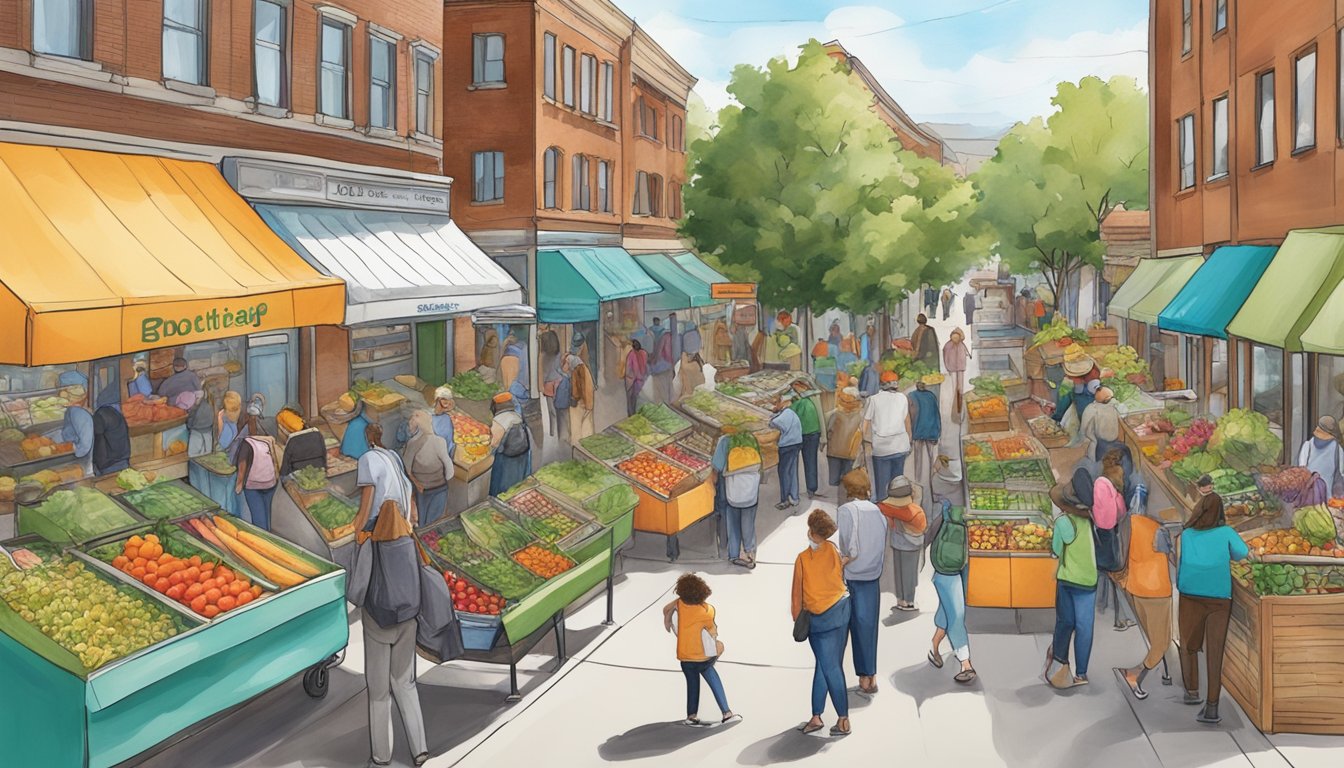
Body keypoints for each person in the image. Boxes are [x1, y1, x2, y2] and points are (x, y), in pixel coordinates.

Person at [349, 424, 428, 768]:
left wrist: (355, 532)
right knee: (406, 682)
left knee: (379, 692)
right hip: (408, 611)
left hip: (379, 617)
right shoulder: (395, 459)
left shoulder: (368, 460)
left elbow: (366, 508)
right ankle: (420, 750)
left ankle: (381, 758)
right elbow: (411, 507)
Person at [1177, 474, 1249, 725]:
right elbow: (1243, 553)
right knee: (1214, 652)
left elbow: (1180, 562)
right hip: (1220, 597)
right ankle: (1212, 707)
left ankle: (1191, 691)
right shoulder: (1226, 532)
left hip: (1190, 595)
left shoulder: (1186, 535)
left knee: (1188, 644)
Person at [792, 509, 852, 737]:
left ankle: (843, 719)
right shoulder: (834, 550)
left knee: (830, 667)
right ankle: (816, 715)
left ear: (811, 531)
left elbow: (797, 596)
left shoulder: (803, 559)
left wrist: (798, 620)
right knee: (826, 663)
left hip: (819, 619)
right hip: (841, 611)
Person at [662, 573, 740, 727]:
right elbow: (713, 633)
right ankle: (726, 713)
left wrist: (669, 617)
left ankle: (691, 716)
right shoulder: (707, 610)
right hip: (703, 658)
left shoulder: (679, 605)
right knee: (713, 677)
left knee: (692, 684)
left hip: (685, 657)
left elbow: (666, 609)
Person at [1118, 494, 1176, 700]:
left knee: (1153, 634)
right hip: (1156, 591)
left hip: (1135, 586)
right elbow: (1175, 561)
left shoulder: (1129, 523)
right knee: (1162, 641)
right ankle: (1134, 674)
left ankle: (1164, 670)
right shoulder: (1158, 530)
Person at [1045, 471, 1099, 688]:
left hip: (1068, 580)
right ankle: (1082, 673)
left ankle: (1060, 664)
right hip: (1089, 580)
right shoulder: (1092, 521)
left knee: (1065, 622)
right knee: (1085, 627)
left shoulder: (1063, 523)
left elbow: (1057, 551)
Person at [837, 472, 887, 696]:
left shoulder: (846, 511)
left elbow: (849, 546)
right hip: (872, 575)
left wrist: (841, 562)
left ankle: (858, 678)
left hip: (852, 575)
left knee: (847, 629)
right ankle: (870, 677)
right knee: (868, 628)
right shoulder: (878, 511)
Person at [926, 499, 977, 683]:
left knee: (948, 608)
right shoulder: (944, 501)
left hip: (963, 561)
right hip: (948, 564)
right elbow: (928, 530)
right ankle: (966, 663)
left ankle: (935, 645)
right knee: (956, 612)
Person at [1092, 449, 1137, 631]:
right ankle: (1122, 617)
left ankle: (1104, 608)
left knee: (1106, 574)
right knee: (1114, 574)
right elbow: (1114, 514)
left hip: (1104, 534)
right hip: (1107, 535)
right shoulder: (1105, 486)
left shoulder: (1102, 484)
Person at [710, 428, 761, 568]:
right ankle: (749, 553)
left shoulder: (725, 441)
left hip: (733, 490)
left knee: (733, 522)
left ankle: (734, 554)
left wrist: (712, 485)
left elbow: (717, 468)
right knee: (748, 521)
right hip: (751, 489)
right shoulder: (751, 437)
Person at [878, 476, 926, 612]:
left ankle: (901, 600)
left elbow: (883, 511)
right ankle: (909, 600)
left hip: (897, 541)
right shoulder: (916, 511)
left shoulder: (887, 507)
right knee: (909, 574)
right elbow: (922, 526)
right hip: (912, 545)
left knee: (899, 573)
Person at [863, 373, 912, 504]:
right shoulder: (902, 398)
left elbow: (866, 422)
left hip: (881, 448)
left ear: (881, 384)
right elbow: (907, 421)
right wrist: (909, 440)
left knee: (882, 483)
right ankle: (896, 508)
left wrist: (863, 440)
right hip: (901, 445)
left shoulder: (873, 399)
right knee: (897, 482)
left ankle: (883, 510)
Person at [402, 410, 453, 526]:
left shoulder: (413, 443)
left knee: (424, 524)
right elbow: (450, 470)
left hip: (426, 491)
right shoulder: (439, 441)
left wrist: (417, 484)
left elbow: (406, 469)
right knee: (432, 524)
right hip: (435, 489)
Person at [233, 410, 280, 530]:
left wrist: (239, 484)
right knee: (268, 513)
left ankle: (262, 538)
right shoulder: (270, 440)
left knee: (258, 516)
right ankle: (269, 535)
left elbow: (242, 465)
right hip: (270, 483)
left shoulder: (247, 442)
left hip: (253, 485)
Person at [488, 393, 532, 496]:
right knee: (518, 488)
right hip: (522, 458)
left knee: (502, 491)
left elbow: (494, 443)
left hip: (506, 462)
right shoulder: (517, 416)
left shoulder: (499, 420)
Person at [825, 387, 864, 498]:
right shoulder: (861, 415)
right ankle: (846, 500)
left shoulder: (834, 414)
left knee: (833, 481)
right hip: (851, 452)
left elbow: (829, 429)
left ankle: (833, 503)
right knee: (849, 481)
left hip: (834, 451)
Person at [907, 380, 941, 505]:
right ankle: (931, 485)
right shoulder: (932, 396)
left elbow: (911, 414)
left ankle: (918, 482)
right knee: (931, 458)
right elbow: (936, 414)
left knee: (918, 458)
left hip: (918, 429)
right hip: (931, 429)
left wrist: (910, 432)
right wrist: (937, 431)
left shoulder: (911, 396)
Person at [1053, 346, 1101, 429]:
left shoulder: (1068, 384)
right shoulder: (1096, 375)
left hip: (1085, 422)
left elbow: (1062, 406)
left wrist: (1056, 418)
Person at [771, 393, 804, 511]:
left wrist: (773, 414)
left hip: (787, 446)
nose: (775, 405)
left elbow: (773, 423)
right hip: (796, 444)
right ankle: (794, 498)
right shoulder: (791, 413)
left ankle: (785, 500)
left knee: (784, 472)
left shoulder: (785, 414)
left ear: (782, 403)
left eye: (776, 403)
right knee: (792, 471)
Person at [1297, 416, 1344, 496]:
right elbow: (1341, 473)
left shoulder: (1307, 446)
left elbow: (1302, 470)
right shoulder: (1338, 449)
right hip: (1324, 497)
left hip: (1312, 497)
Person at [791, 386, 823, 500]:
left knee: (792, 463)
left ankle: (794, 491)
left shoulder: (797, 404)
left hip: (802, 434)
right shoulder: (811, 401)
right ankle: (811, 489)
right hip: (814, 433)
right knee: (811, 461)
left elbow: (790, 416)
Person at [1078, 386, 1124, 463]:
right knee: (1101, 461)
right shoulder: (1092, 408)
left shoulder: (1114, 404)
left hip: (1114, 440)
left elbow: (1124, 412)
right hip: (1100, 441)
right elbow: (1084, 427)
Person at [279, 408, 328, 476]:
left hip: (299, 477)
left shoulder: (292, 441)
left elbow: (285, 470)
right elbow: (324, 456)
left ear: (284, 430)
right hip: (318, 473)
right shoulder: (317, 434)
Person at [60, 388, 95, 476]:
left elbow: (85, 445)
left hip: (86, 463)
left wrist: (74, 449)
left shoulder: (78, 413)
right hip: (84, 458)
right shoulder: (74, 411)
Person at [91, 403, 131, 475]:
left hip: (108, 465)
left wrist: (99, 464)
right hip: (123, 461)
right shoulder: (117, 413)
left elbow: (98, 441)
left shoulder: (100, 415)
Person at [565, 353, 596, 441]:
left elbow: (575, 392)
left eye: (568, 362)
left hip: (578, 403)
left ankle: (576, 446)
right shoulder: (585, 369)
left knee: (576, 427)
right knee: (587, 426)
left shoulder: (575, 371)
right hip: (587, 401)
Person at [942, 329, 972, 418]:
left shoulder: (962, 345)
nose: (955, 339)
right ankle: (956, 408)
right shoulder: (948, 345)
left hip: (960, 368)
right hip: (952, 369)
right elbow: (945, 357)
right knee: (955, 387)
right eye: (953, 337)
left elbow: (966, 354)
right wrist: (948, 368)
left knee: (960, 388)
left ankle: (960, 407)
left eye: (957, 337)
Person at [499, 332, 530, 413]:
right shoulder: (516, 356)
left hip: (512, 391)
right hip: (517, 391)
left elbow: (506, 383)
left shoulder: (505, 357)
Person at [539, 328, 562, 438]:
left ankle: (553, 434)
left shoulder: (544, 356)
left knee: (551, 412)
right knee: (559, 410)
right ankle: (559, 433)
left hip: (548, 385)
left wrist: (540, 385)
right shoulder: (558, 354)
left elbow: (544, 372)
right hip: (559, 382)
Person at [651, 317, 676, 403]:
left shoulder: (663, 336)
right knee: (669, 385)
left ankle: (664, 402)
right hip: (669, 363)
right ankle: (669, 401)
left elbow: (659, 350)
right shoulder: (673, 336)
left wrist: (655, 361)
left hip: (663, 363)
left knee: (662, 386)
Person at [185, 388, 215, 458]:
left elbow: (189, 423)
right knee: (207, 455)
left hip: (196, 433)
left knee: (193, 456)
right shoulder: (210, 407)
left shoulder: (197, 408)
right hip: (208, 433)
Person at [623, 338, 649, 416]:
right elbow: (646, 366)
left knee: (630, 400)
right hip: (641, 380)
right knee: (637, 399)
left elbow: (628, 368)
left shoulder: (631, 354)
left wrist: (628, 377)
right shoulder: (644, 353)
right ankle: (636, 415)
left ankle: (631, 415)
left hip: (632, 380)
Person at [431, 387, 457, 460]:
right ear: (439, 400)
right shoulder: (429, 417)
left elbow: (450, 443)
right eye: (445, 401)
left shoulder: (447, 418)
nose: (448, 404)